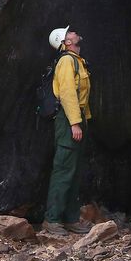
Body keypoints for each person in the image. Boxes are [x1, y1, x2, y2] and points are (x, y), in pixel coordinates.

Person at [43, 25, 92, 236]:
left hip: (78, 119)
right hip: (68, 120)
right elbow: (68, 93)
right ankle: (51, 220)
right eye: (69, 33)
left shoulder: (77, 61)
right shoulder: (66, 61)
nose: (74, 33)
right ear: (66, 42)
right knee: (63, 170)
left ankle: (71, 219)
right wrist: (74, 123)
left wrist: (84, 120)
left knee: (74, 171)